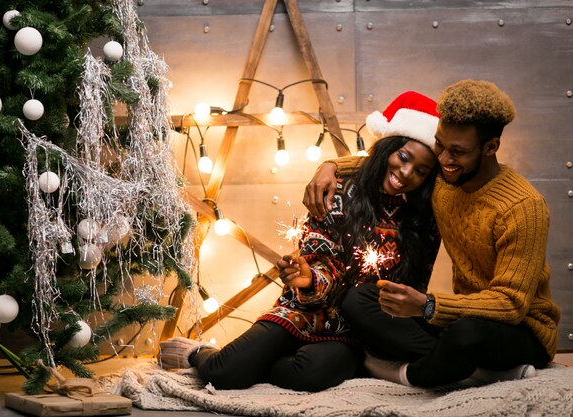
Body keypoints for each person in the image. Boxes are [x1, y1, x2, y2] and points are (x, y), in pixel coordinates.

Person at [159, 91, 441, 392]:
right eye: (403, 157)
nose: (406, 172)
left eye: (421, 171)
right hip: (304, 308)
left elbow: (413, 288)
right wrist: (308, 280)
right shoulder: (339, 191)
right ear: (388, 148)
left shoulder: (423, 221)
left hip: (351, 332)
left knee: (308, 375)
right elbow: (320, 257)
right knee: (224, 373)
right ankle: (197, 351)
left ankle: (268, 362)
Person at [303, 79, 561, 387]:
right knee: (360, 298)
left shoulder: (523, 207)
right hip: (458, 316)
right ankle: (476, 372)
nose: (443, 159)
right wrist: (329, 166)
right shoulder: (446, 181)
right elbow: (381, 163)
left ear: (491, 147)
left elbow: (511, 304)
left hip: (520, 329)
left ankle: (408, 373)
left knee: (465, 335)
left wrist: (428, 306)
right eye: (440, 144)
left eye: (458, 151)